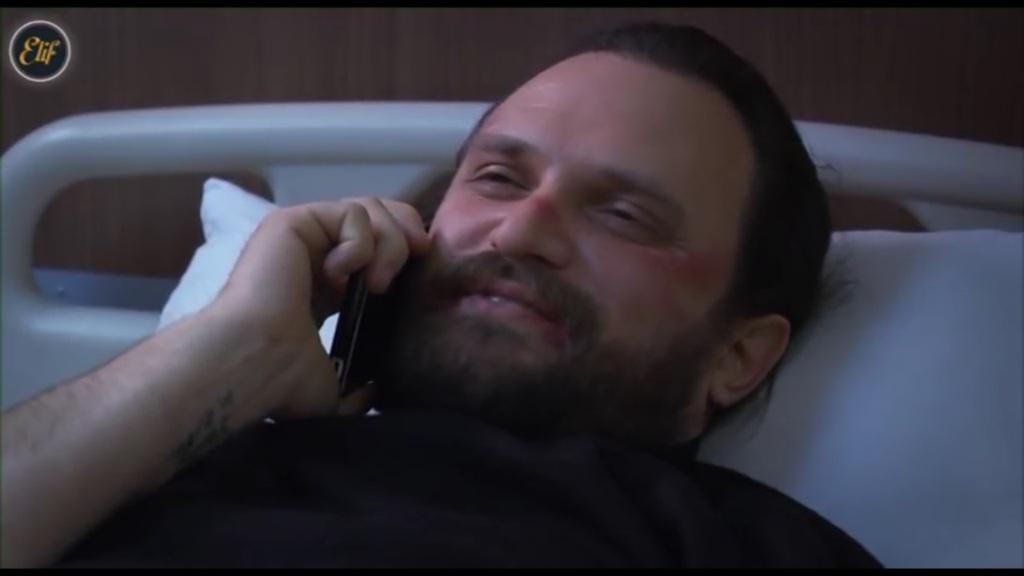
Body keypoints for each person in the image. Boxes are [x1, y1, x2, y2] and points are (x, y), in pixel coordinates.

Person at [1, 22, 880, 568]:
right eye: (498, 177)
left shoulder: (745, 547)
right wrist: (224, 354)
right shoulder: (152, 460)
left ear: (738, 356)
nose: (522, 231)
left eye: (623, 214)